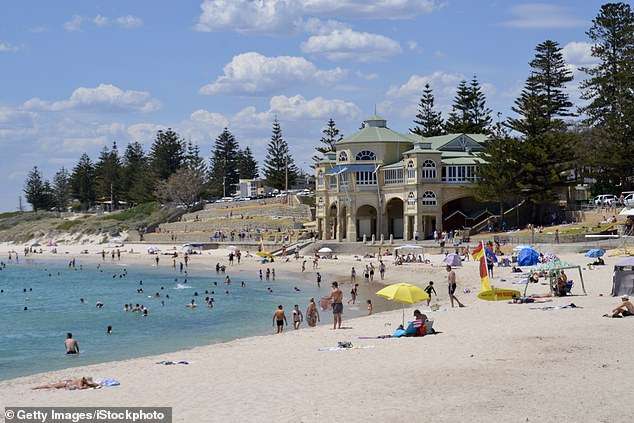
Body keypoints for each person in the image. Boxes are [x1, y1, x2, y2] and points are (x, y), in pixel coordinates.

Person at [32, 377, 100, 390]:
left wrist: (95, 385)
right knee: (49, 386)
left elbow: (91, 384)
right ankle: (36, 387)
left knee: (50, 385)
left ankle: (37, 387)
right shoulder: (81, 381)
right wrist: (86, 387)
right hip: (65, 384)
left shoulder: (83, 380)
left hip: (68, 381)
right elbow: (80, 388)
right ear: (84, 380)